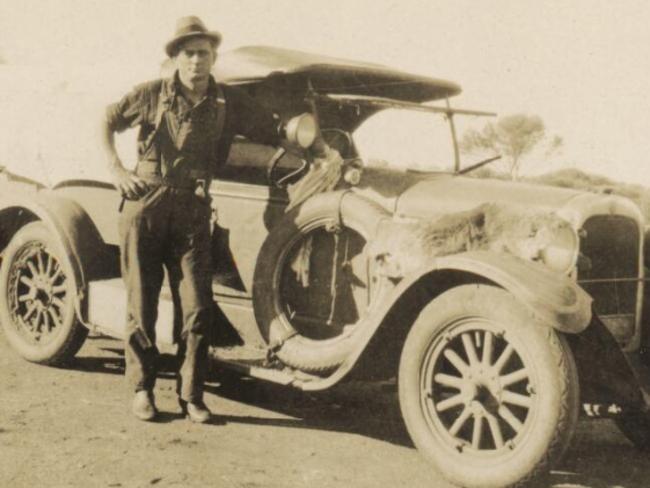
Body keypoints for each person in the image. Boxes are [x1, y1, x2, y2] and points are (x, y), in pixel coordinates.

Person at [100, 16, 284, 422]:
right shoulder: (151, 94)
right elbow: (107, 120)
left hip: (193, 210)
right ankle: (142, 390)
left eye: (203, 53)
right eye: (189, 53)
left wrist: (313, 142)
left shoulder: (226, 102)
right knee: (141, 303)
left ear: (213, 56)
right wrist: (115, 170)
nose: (197, 61)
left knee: (198, 307)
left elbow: (273, 130)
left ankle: (192, 394)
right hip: (145, 204)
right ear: (175, 58)